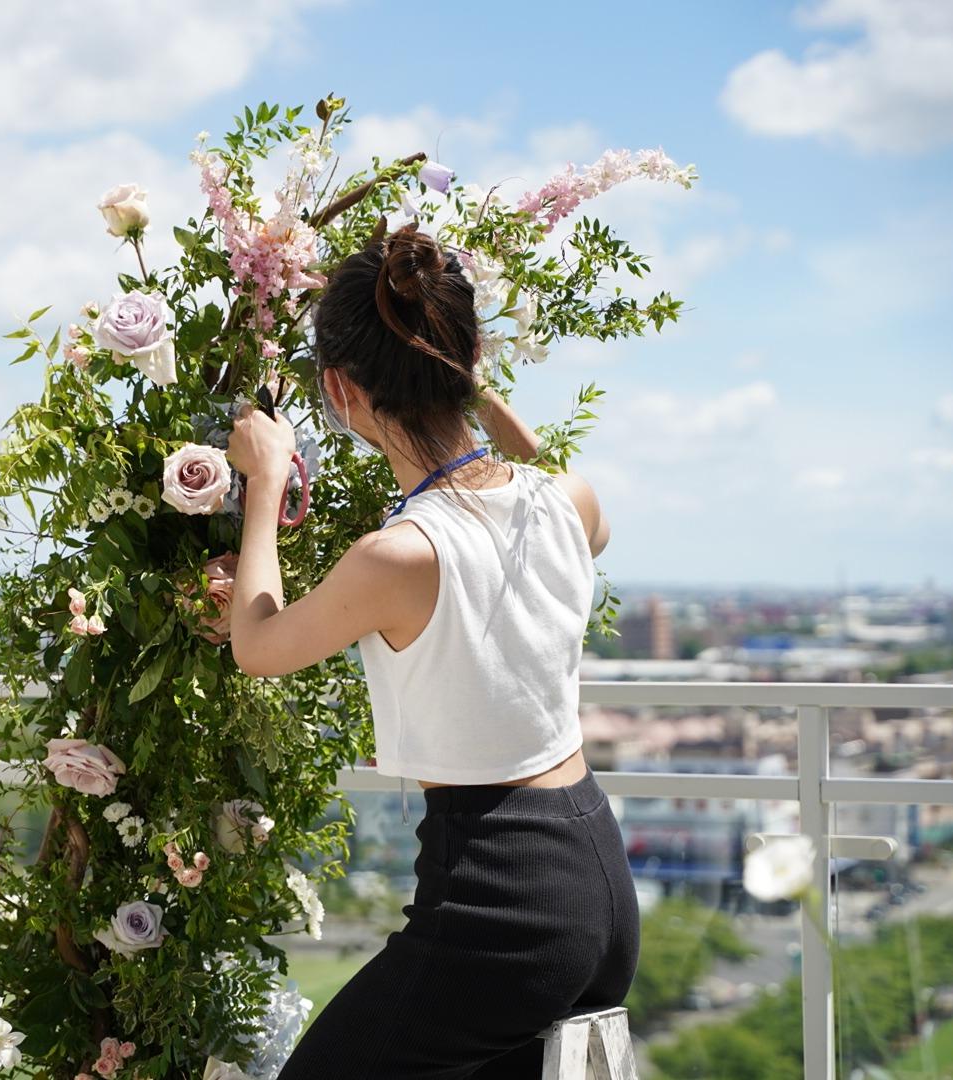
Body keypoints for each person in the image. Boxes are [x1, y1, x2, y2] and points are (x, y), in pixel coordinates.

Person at [224, 225, 640, 1078]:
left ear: (340, 390)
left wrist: (265, 484)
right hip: (596, 869)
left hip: (500, 895)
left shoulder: (403, 554)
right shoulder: (567, 502)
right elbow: (542, 477)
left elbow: (258, 644)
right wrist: (474, 386)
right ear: (468, 355)